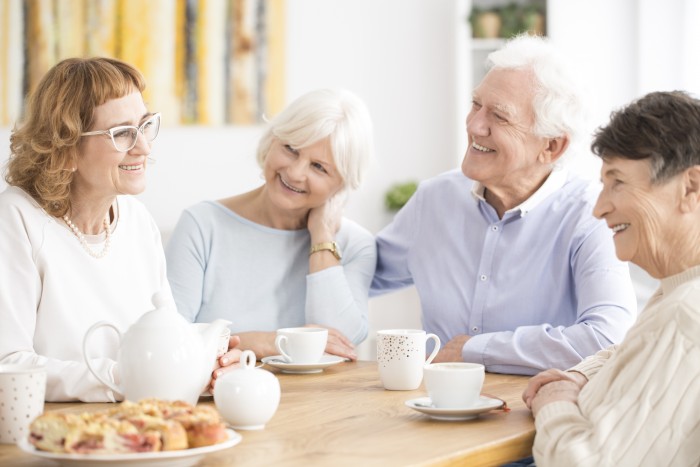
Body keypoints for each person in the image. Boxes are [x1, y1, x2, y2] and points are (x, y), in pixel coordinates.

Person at [371, 35, 637, 375]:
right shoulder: (435, 199)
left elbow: (607, 337)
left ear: (552, 147)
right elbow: (365, 270)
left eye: (498, 115)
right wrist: (322, 218)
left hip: (535, 418)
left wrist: (474, 350)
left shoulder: (590, 216)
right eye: (475, 104)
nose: (474, 125)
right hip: (434, 414)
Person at [522, 91, 700, 466]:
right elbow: (634, 353)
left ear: (691, 188)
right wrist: (580, 377)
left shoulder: (685, 315)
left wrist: (554, 403)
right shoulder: (678, 291)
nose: (600, 207)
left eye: (617, 182)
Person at [0, 57, 178, 401]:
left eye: (145, 125)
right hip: (52, 436)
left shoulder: (137, 220)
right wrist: (119, 377)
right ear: (65, 148)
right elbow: (8, 363)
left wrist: (202, 360)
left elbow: (165, 337)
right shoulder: (16, 218)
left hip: (137, 424)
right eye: (123, 133)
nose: (143, 146)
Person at [166, 88, 376, 362]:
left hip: (319, 401)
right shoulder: (202, 225)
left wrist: (322, 237)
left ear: (343, 183)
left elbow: (341, 341)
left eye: (319, 167)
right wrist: (267, 342)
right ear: (272, 141)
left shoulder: (355, 244)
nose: (295, 172)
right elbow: (169, 342)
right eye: (291, 149)